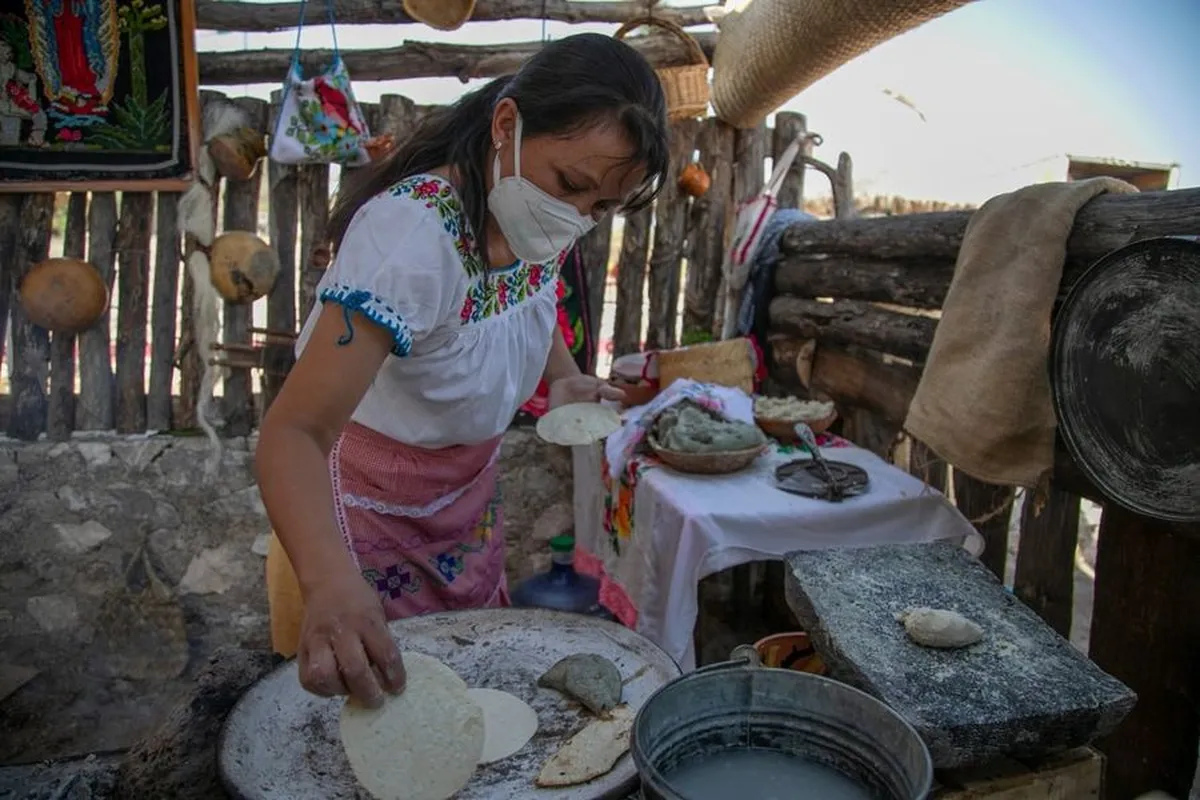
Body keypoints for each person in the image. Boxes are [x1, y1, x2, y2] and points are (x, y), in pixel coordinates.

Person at [256, 32, 669, 710]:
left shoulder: (535, 217)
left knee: (462, 702)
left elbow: (529, 304)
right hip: (355, 525)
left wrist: (560, 376)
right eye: (572, 187)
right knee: (383, 722)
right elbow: (293, 435)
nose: (579, 217)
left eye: (602, 208)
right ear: (505, 125)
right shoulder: (412, 241)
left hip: (461, 509)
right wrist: (331, 582)